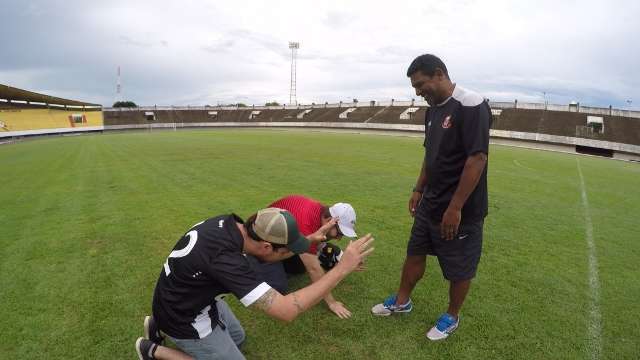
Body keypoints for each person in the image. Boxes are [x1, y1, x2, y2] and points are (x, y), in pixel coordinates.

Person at [135, 208, 373, 360]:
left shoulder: (232, 226)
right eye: (286, 251)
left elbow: (270, 251)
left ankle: (158, 323)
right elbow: (286, 310)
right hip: (184, 317)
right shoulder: (229, 262)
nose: (288, 255)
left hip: (186, 297)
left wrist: (308, 239)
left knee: (238, 339)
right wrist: (342, 268)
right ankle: (154, 351)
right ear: (267, 247)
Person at [371, 54, 491, 341]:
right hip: (430, 203)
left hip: (460, 210)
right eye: (414, 87)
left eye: (420, 84)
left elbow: (477, 159)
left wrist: (455, 207)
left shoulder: (471, 104)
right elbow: (431, 154)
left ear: (439, 74)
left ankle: (452, 316)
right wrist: (418, 188)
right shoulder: (432, 110)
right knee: (414, 252)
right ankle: (402, 301)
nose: (417, 92)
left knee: (459, 268)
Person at [248, 195, 358, 319]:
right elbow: (313, 269)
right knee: (278, 287)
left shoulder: (321, 213)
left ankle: (329, 252)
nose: (339, 238)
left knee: (299, 268)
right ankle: (251, 260)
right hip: (262, 244)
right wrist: (332, 303)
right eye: (339, 233)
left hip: (283, 239)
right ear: (329, 221)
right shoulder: (306, 223)